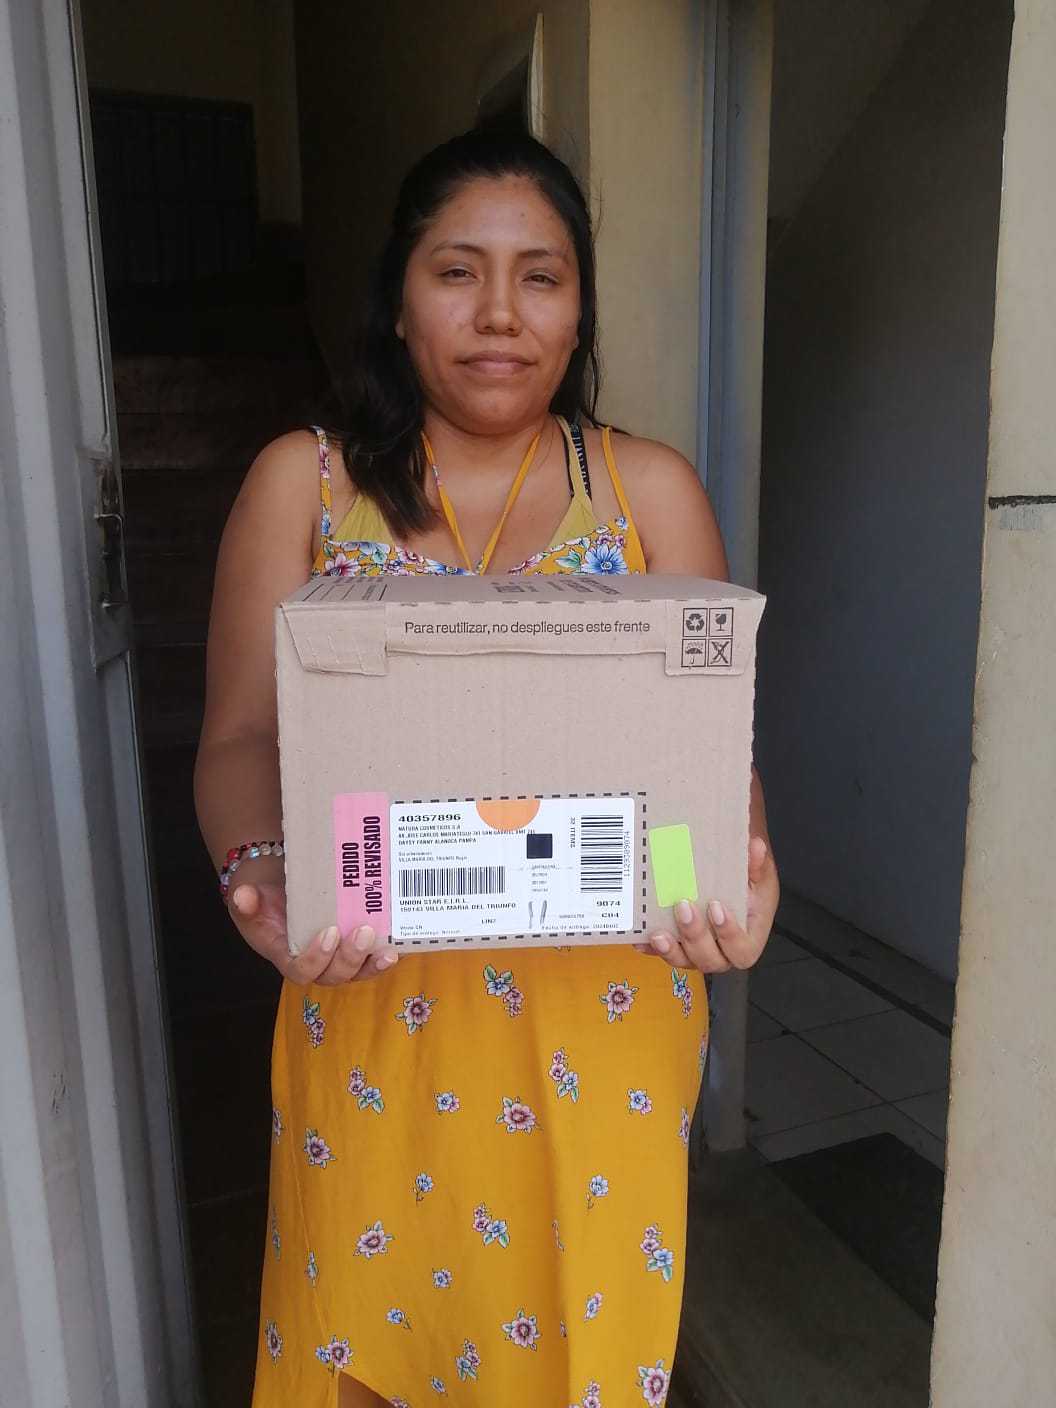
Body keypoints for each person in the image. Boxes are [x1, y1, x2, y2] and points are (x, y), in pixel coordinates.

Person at [195, 128, 779, 1408]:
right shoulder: (306, 486)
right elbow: (237, 737)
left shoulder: (646, 491)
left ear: (578, 310)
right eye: (458, 271)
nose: (501, 312)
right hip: (375, 1007)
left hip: (601, 1021)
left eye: (541, 276)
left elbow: (703, 754)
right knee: (367, 1343)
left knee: (574, 1347)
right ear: (400, 301)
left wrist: (736, 870)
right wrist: (264, 870)